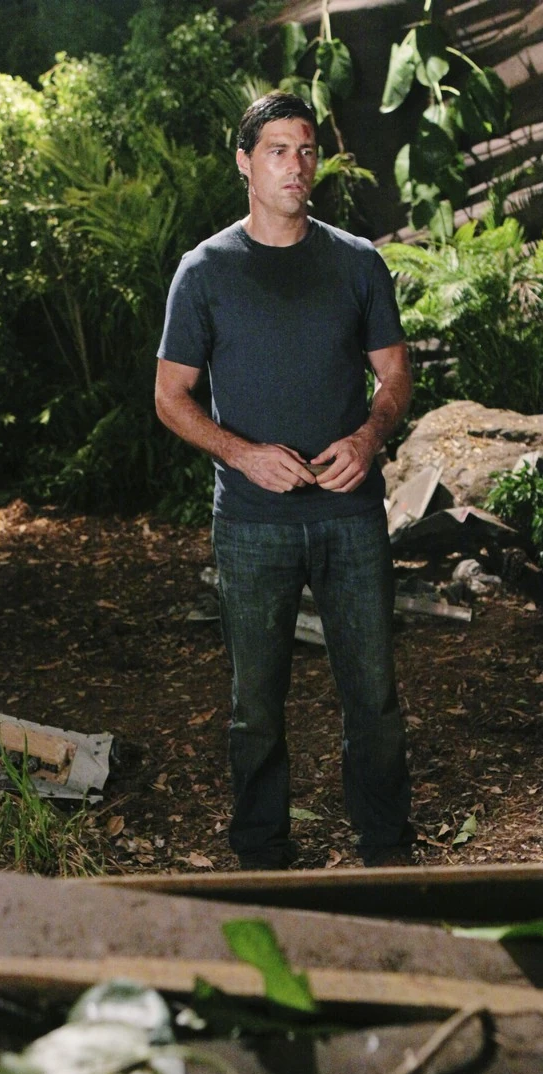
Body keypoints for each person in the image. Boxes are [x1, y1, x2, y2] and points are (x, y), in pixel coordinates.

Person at [155, 90, 415, 869]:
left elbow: (396, 374)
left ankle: (386, 853)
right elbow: (170, 396)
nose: (295, 165)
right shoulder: (205, 271)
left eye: (306, 150)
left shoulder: (357, 261)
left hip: (350, 513)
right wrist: (241, 454)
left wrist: (369, 434)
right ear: (244, 162)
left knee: (373, 698)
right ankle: (263, 858)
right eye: (276, 151)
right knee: (256, 708)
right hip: (251, 520)